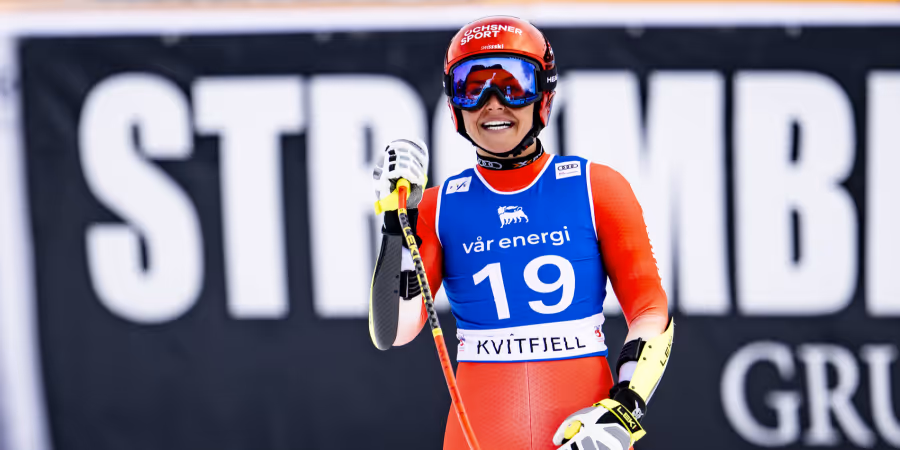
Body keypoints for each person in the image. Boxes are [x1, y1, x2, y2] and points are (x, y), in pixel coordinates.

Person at [369, 15, 674, 450]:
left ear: (543, 95)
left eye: (513, 84)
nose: (493, 103)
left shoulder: (597, 188)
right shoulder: (437, 206)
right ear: (454, 104)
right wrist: (394, 219)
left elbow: (650, 309)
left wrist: (623, 411)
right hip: (478, 435)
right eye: (473, 87)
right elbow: (393, 331)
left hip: (585, 435)